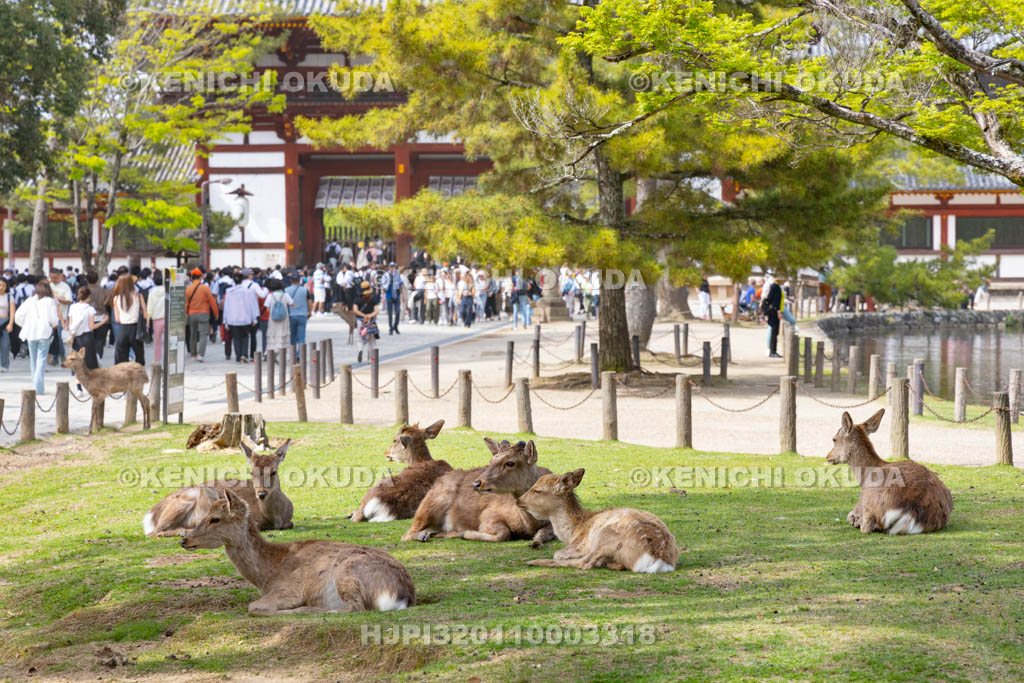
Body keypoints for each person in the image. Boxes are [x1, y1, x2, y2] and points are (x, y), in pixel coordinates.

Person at [15, 280, 59, 394]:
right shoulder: (49, 301)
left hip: (30, 333)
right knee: (41, 360)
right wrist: (53, 325)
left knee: (33, 361)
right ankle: (38, 387)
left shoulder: (29, 301)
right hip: (44, 333)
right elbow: (54, 320)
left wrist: (24, 324)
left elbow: (18, 315)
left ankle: (36, 385)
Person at [222, 273, 259, 363]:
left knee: (236, 338)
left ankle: (238, 357)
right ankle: (244, 354)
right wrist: (254, 318)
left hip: (233, 318)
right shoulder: (247, 291)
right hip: (245, 317)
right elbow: (252, 305)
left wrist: (225, 320)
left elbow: (226, 307)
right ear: (242, 280)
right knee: (245, 336)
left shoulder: (229, 291)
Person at [111, 273, 147, 365]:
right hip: (136, 329)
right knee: (139, 357)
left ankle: (123, 378)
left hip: (122, 329)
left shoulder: (116, 299)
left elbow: (117, 319)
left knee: (120, 359)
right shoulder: (139, 296)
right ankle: (139, 377)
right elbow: (145, 315)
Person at [68, 286, 105, 371]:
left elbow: (71, 324)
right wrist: (103, 321)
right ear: (88, 296)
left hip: (76, 337)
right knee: (90, 363)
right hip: (87, 337)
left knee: (77, 363)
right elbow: (91, 327)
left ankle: (78, 383)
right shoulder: (90, 309)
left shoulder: (72, 307)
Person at [186, 269, 219, 362]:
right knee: (203, 334)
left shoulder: (188, 289)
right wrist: (216, 314)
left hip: (192, 314)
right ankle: (200, 354)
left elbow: (186, 304)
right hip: (204, 314)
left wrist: (187, 313)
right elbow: (212, 302)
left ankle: (193, 354)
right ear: (200, 277)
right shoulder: (205, 288)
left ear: (192, 278)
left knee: (192, 334)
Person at [48, 268, 72, 366]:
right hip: (50, 315)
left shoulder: (65, 287)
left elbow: (69, 300)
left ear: (60, 276)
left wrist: (58, 300)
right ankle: (54, 356)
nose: (53, 280)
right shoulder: (48, 286)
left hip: (62, 316)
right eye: (52, 277)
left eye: (55, 278)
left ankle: (61, 356)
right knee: (50, 337)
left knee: (59, 337)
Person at [265, 278, 294, 350]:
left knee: (273, 333)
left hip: (273, 319)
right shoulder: (285, 295)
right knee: (282, 332)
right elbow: (293, 304)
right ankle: (280, 350)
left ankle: (273, 350)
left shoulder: (270, 296)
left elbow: (267, 308)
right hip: (284, 318)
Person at [354, 280, 380, 363]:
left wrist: (363, 315)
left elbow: (355, 310)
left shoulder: (357, 299)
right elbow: (376, 310)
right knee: (371, 341)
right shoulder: (373, 299)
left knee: (359, 338)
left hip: (360, 321)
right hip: (371, 322)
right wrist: (369, 316)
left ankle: (360, 349)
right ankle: (371, 359)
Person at [761, 275, 783, 358]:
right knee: (774, 331)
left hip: (770, 310)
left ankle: (772, 350)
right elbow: (776, 301)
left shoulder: (770, 285)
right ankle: (773, 351)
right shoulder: (776, 287)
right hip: (774, 311)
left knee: (772, 331)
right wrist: (778, 311)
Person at [285, 274, 310, 346]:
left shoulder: (286, 290)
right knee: (302, 337)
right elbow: (309, 302)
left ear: (291, 280)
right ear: (299, 280)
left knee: (292, 336)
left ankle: (293, 354)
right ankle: (300, 355)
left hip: (291, 315)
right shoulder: (305, 290)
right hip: (302, 315)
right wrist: (310, 312)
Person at [147, 271, 166, 362]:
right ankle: (168, 358)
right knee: (168, 341)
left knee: (157, 342)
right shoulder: (167, 292)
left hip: (156, 320)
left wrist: (147, 322)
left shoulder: (151, 293)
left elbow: (149, 308)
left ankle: (157, 360)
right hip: (167, 318)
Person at [383, 262, 403, 335]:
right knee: (390, 313)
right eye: (391, 266)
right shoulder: (386, 275)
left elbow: (401, 284)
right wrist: (383, 296)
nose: (392, 268)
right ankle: (390, 328)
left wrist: (402, 295)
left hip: (396, 295)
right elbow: (383, 286)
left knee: (398, 312)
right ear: (389, 267)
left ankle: (395, 326)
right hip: (389, 295)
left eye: (393, 266)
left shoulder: (397, 274)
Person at [0, 279, 15, 372]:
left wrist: (10, 324)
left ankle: (4, 365)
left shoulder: (9, 296)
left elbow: (12, 312)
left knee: (5, 345)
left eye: (3, 285)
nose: (1, 287)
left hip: (4, 322)